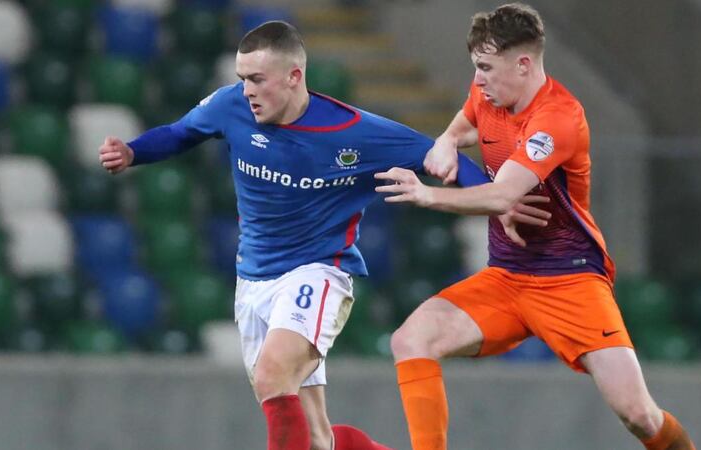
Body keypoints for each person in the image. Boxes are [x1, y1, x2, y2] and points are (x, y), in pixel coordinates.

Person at [98, 20, 549, 450]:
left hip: (318, 273)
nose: (248, 91)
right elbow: (181, 133)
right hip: (253, 282)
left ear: (294, 76)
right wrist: (133, 152)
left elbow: (435, 155)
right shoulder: (230, 105)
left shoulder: (354, 132)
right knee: (314, 439)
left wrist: (495, 198)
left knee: (276, 373)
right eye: (243, 79)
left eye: (258, 79)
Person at [375, 4, 697, 450]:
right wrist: (448, 139)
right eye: (476, 68)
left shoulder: (558, 119)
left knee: (638, 415)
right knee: (410, 339)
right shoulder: (487, 91)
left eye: (487, 68)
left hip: (570, 281)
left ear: (523, 64)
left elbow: (503, 196)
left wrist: (427, 194)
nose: (479, 79)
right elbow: (469, 117)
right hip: (507, 279)